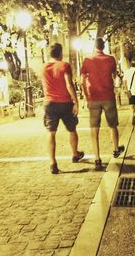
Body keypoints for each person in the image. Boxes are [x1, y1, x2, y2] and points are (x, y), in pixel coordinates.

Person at [81, 37, 125, 170]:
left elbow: (82, 80)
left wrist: (86, 96)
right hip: (108, 96)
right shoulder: (110, 59)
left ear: (94, 46)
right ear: (104, 46)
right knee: (113, 125)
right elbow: (115, 75)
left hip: (93, 98)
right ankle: (116, 149)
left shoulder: (87, 60)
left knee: (94, 129)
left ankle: (97, 158)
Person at [41, 43, 84, 174]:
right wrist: (75, 101)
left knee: (51, 132)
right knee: (72, 129)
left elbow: (44, 86)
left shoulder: (43, 67)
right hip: (65, 102)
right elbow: (69, 84)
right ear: (61, 53)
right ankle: (75, 154)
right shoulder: (65, 66)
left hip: (50, 103)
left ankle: (53, 163)